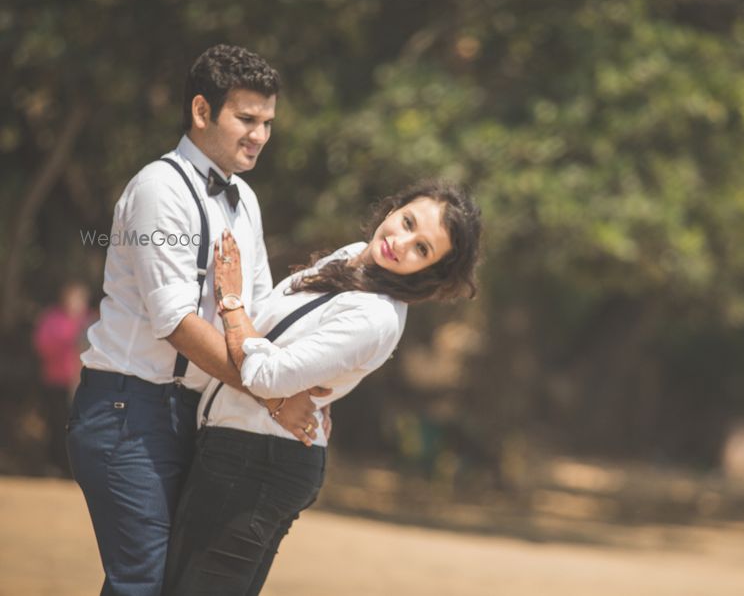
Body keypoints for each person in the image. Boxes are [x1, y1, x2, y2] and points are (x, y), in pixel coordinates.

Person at [68, 44, 322, 596]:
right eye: (246, 119)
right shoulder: (160, 189)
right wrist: (273, 396)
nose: (259, 135)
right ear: (202, 111)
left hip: (198, 414)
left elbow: (254, 314)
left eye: (268, 123)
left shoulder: (245, 200)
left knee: (179, 581)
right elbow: (175, 321)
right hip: (128, 409)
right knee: (143, 583)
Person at [162, 181, 482, 596]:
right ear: (393, 208)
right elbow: (278, 345)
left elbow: (266, 375)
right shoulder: (351, 256)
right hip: (236, 444)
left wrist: (231, 300)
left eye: (422, 249)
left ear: (430, 272)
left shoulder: (376, 316)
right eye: (406, 222)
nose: (401, 243)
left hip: (258, 461)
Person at [32, 281, 94, 475]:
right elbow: (41, 345)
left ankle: (77, 469)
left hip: (84, 384)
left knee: (82, 427)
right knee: (57, 424)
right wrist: (69, 338)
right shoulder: (52, 318)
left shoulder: (91, 320)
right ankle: (56, 466)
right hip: (57, 381)